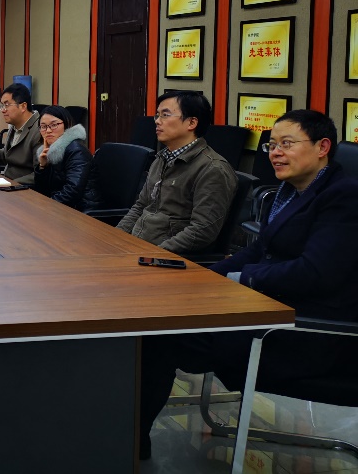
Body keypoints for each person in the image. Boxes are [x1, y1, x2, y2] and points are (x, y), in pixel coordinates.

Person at [139, 110, 358, 460]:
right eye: (272, 145)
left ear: (322, 147)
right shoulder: (289, 191)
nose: (275, 153)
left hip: (307, 332)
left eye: (287, 144)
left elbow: (315, 272)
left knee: (159, 335)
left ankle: (130, 443)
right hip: (268, 310)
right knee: (158, 319)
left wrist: (242, 279)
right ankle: (129, 435)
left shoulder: (343, 197)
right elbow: (259, 249)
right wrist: (207, 278)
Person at [117, 91, 236, 255]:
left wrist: (155, 254)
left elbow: (202, 230)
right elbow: (140, 206)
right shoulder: (162, 158)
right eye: (157, 115)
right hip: (138, 245)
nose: (157, 121)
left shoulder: (213, 169)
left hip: (165, 256)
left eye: (165, 115)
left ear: (191, 122)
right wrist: (116, 238)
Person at [32, 105, 97, 210]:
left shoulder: (77, 150)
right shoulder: (50, 150)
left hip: (81, 210)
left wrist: (46, 207)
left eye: (54, 125)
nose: (48, 131)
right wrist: (42, 167)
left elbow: (72, 191)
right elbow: (42, 190)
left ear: (66, 124)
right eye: (43, 126)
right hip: (61, 206)